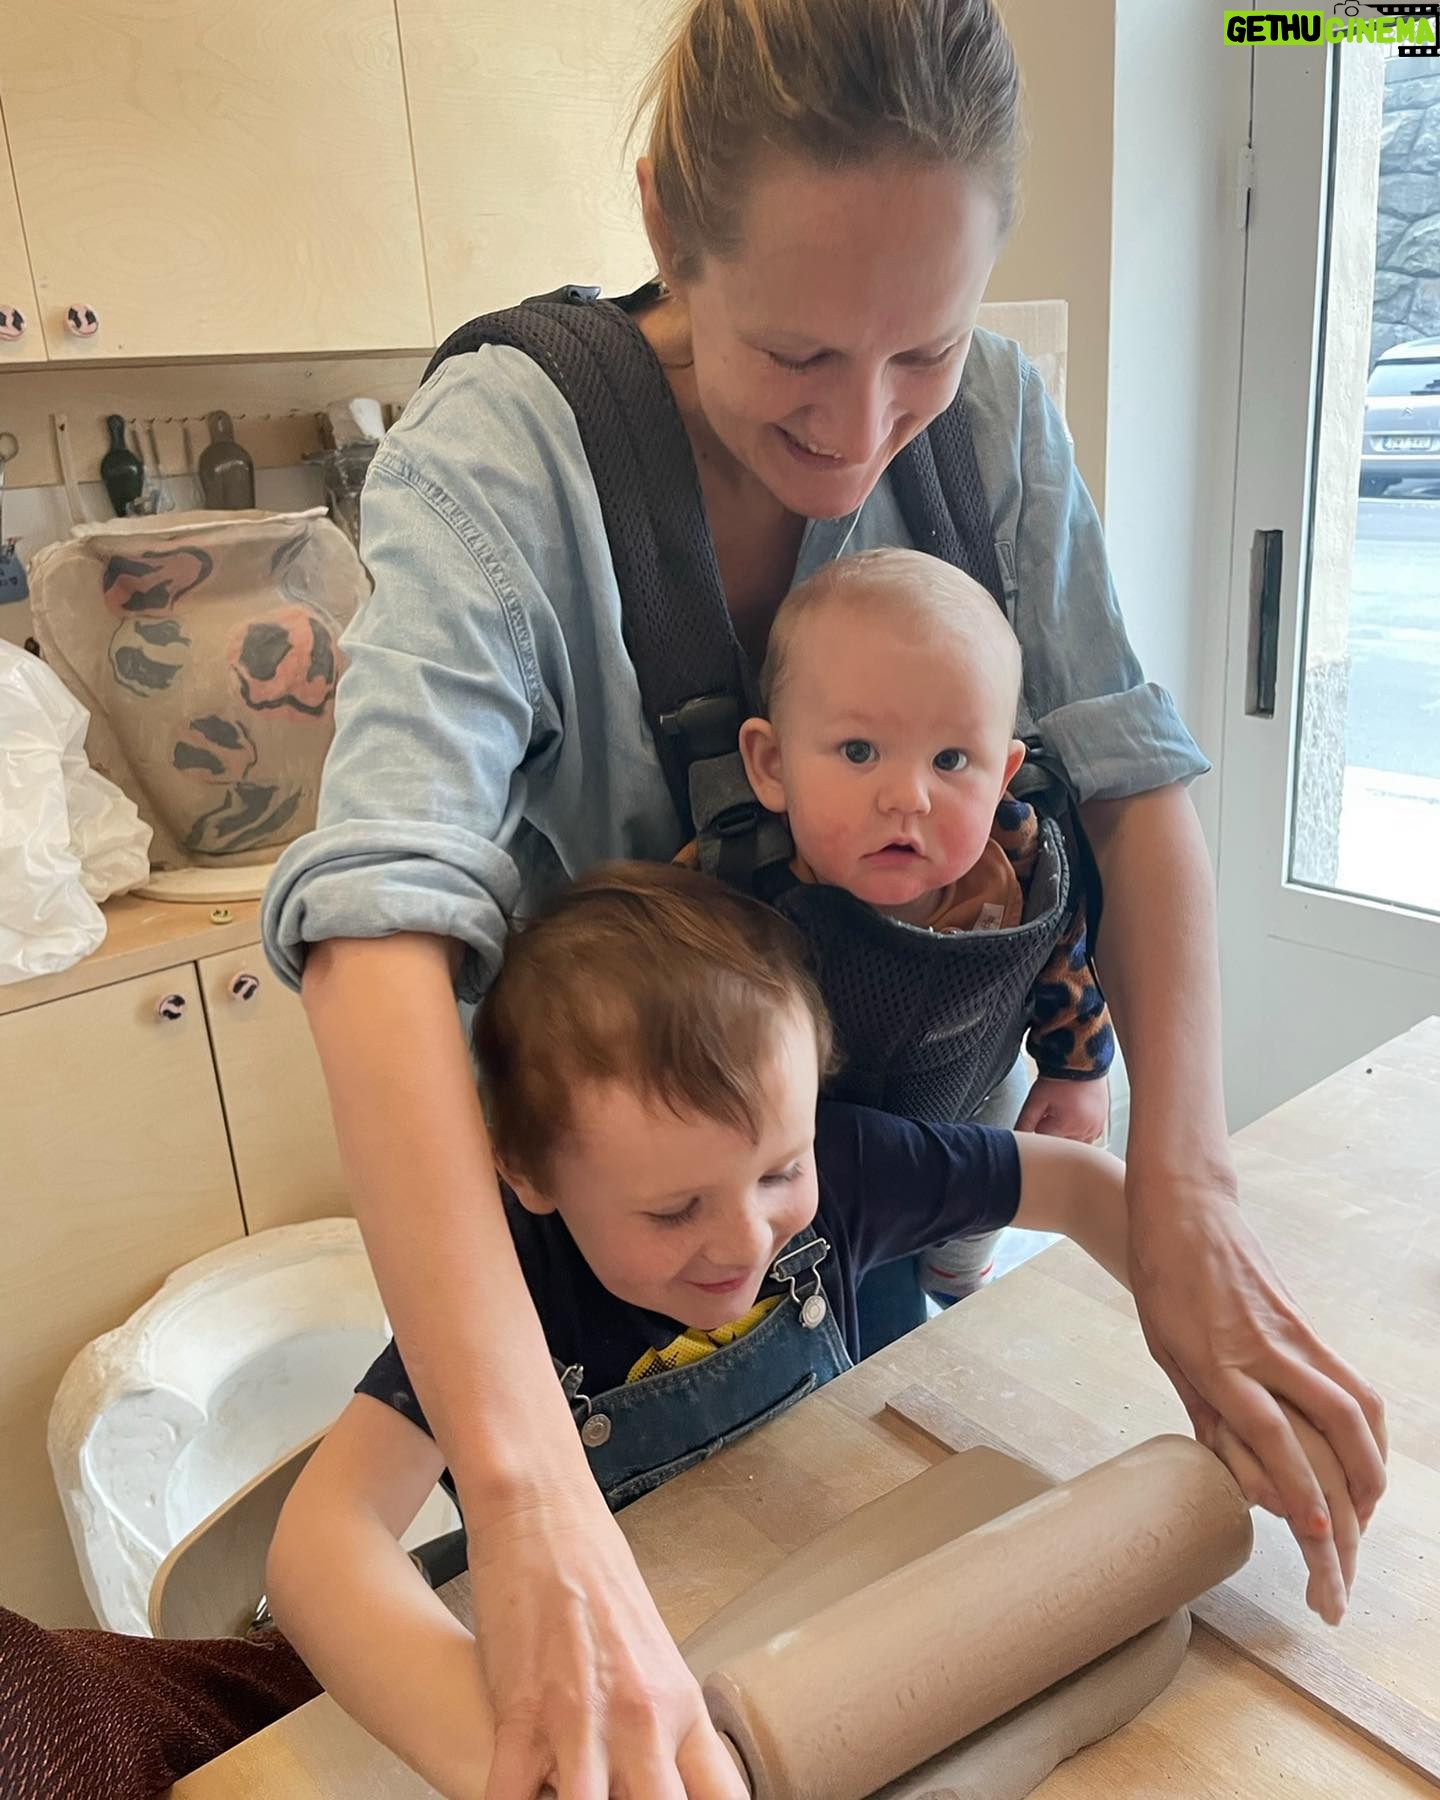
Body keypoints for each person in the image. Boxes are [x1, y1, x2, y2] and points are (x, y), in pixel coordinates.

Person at [260, 0, 1386, 1789]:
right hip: (591, 1272)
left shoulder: (992, 423)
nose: (862, 430)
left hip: (848, 1273)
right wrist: (528, 1489)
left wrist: (1187, 1201)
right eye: (795, 352)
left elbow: (1132, 785)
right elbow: (378, 922)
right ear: (664, 216)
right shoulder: (511, 457)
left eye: (923, 348)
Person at [262, 864, 1359, 1798]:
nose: (743, 1238)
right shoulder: (500, 1294)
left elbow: (1079, 1188)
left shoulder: (846, 1165)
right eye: (672, 1211)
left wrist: (1228, 1364)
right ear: (529, 1174)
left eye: (778, 1171)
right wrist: (524, 1762)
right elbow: (318, 1550)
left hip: (818, 1563)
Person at [697, 546, 1114, 1303]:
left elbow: (1066, 957)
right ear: (772, 765)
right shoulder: (736, 878)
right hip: (823, 1143)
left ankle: (959, 1269)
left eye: (951, 760)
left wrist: (1076, 1071)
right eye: (859, 751)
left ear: (1003, 776)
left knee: (1000, 1149)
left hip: (973, 1083)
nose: (908, 797)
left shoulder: (1020, 859)